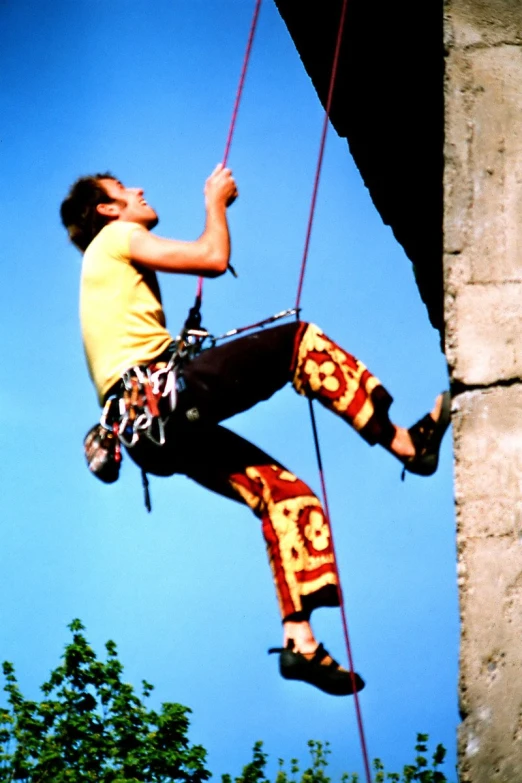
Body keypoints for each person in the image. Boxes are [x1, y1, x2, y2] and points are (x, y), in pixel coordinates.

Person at [60, 164, 451, 697]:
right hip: (164, 404)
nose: (139, 191)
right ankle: (409, 445)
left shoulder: (102, 270)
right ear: (107, 209)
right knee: (297, 343)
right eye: (124, 191)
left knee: (285, 497)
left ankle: (300, 642)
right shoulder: (117, 237)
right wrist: (215, 202)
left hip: (148, 433)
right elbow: (212, 259)